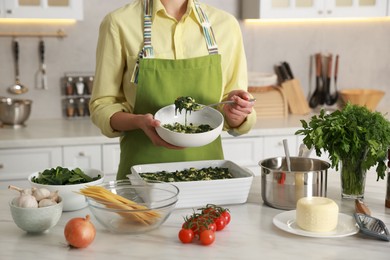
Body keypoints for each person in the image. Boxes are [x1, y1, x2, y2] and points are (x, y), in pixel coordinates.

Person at [89, 0, 257, 180]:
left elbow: (232, 102)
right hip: (141, 176)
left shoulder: (226, 25)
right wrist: (138, 121)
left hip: (208, 176)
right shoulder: (119, 22)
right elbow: (102, 105)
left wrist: (236, 112)